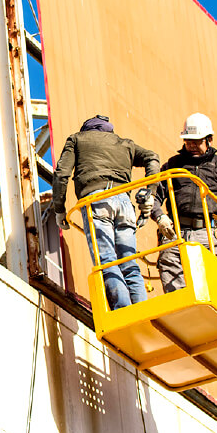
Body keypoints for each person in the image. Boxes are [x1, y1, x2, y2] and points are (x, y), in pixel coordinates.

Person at [52, 115, 160, 310]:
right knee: (129, 261)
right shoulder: (125, 143)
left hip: (96, 199)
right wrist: (150, 191)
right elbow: (152, 157)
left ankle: (123, 311)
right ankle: (143, 312)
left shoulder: (77, 139)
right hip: (124, 202)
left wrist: (59, 209)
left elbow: (61, 174)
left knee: (107, 259)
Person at [151, 112, 217, 293]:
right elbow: (153, 196)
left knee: (212, 283)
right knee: (170, 271)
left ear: (209, 139)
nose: (191, 145)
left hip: (207, 234)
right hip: (175, 232)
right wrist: (159, 217)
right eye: (188, 141)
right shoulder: (173, 166)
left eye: (197, 141)